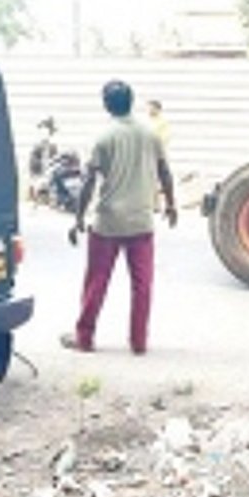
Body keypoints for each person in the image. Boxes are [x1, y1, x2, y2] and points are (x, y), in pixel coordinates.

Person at [62, 80, 177, 354]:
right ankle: (138, 342)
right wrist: (171, 204)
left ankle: (84, 338)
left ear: (106, 104)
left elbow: (89, 181)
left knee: (96, 282)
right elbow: (165, 172)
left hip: (108, 222)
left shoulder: (104, 138)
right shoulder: (151, 135)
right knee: (143, 285)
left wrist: (78, 217)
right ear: (131, 101)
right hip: (141, 220)